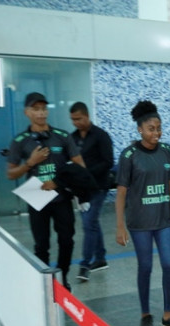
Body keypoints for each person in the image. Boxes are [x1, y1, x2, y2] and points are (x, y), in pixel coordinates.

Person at [115, 100, 170, 326]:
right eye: (151, 129)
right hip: (139, 223)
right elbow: (122, 192)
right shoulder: (129, 155)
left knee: (169, 265)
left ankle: (168, 315)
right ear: (140, 129)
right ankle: (145, 314)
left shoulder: (167, 152)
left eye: (159, 128)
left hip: (164, 220)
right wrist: (120, 226)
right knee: (145, 267)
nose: (156, 133)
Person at [6, 92, 85, 291]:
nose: (41, 113)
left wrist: (61, 181)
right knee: (41, 244)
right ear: (27, 112)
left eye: (43, 109)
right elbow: (11, 174)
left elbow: (79, 166)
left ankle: (63, 276)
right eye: (36, 109)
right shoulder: (20, 141)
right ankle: (44, 281)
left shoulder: (62, 136)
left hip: (62, 197)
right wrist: (30, 163)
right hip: (36, 198)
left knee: (66, 240)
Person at [70, 102, 114, 283]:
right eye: (73, 120)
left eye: (79, 119)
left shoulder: (101, 136)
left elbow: (108, 161)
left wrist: (87, 172)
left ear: (87, 116)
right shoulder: (72, 137)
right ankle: (101, 258)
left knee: (89, 223)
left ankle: (85, 263)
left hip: (98, 187)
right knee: (92, 223)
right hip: (81, 190)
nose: (76, 123)